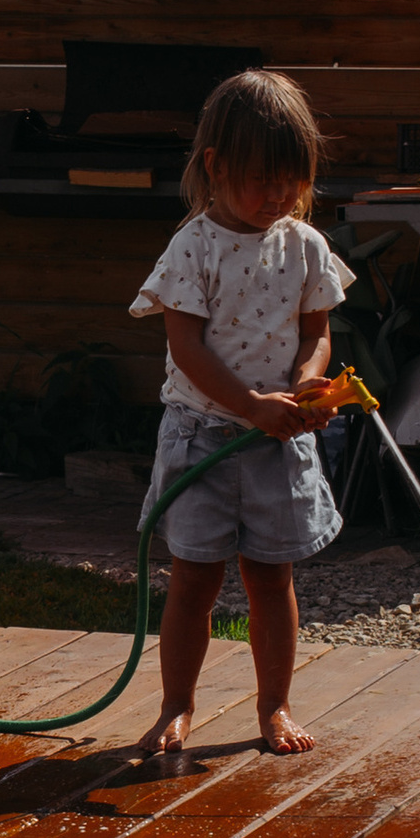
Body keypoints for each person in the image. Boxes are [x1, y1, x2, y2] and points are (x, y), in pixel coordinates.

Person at [128, 70, 352, 760]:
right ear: (217, 168)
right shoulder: (193, 249)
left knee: (271, 576)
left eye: (292, 179)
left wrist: (307, 384)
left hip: (276, 441)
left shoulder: (304, 244)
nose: (279, 196)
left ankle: (275, 705)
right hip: (203, 437)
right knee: (194, 578)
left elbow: (317, 330)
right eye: (263, 179)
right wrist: (250, 406)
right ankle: (176, 705)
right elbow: (186, 347)